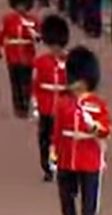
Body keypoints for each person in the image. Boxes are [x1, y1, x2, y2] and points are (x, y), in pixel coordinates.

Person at [51, 46, 111, 215]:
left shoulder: (97, 105)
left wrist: (94, 127)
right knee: (66, 200)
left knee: (89, 204)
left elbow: (105, 130)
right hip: (67, 157)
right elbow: (57, 131)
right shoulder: (63, 103)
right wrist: (54, 153)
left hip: (89, 158)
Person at [32, 15, 69, 183]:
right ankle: (47, 168)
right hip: (46, 108)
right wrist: (35, 106)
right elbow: (36, 85)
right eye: (53, 45)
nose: (55, 50)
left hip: (63, 109)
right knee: (44, 140)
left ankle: (60, 166)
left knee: (60, 140)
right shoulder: (41, 62)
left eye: (58, 46)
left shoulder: (70, 62)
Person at [0, 0, 38, 118]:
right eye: (19, 5)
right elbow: (2, 35)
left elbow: (38, 36)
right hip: (12, 55)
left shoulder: (33, 20)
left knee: (26, 81)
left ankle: (26, 103)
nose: (21, 8)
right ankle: (18, 106)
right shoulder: (8, 19)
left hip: (27, 55)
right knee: (15, 83)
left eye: (24, 5)